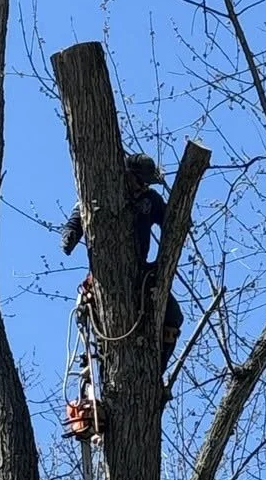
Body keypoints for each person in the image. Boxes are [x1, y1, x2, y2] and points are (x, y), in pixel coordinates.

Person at [60, 153, 182, 366]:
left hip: (141, 272)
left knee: (173, 316)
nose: (143, 186)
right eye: (140, 181)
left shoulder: (150, 199)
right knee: (107, 330)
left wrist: (160, 264)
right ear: (127, 175)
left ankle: (157, 371)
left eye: (146, 183)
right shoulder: (99, 194)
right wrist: (69, 235)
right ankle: (104, 365)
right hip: (105, 279)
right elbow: (76, 218)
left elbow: (172, 224)